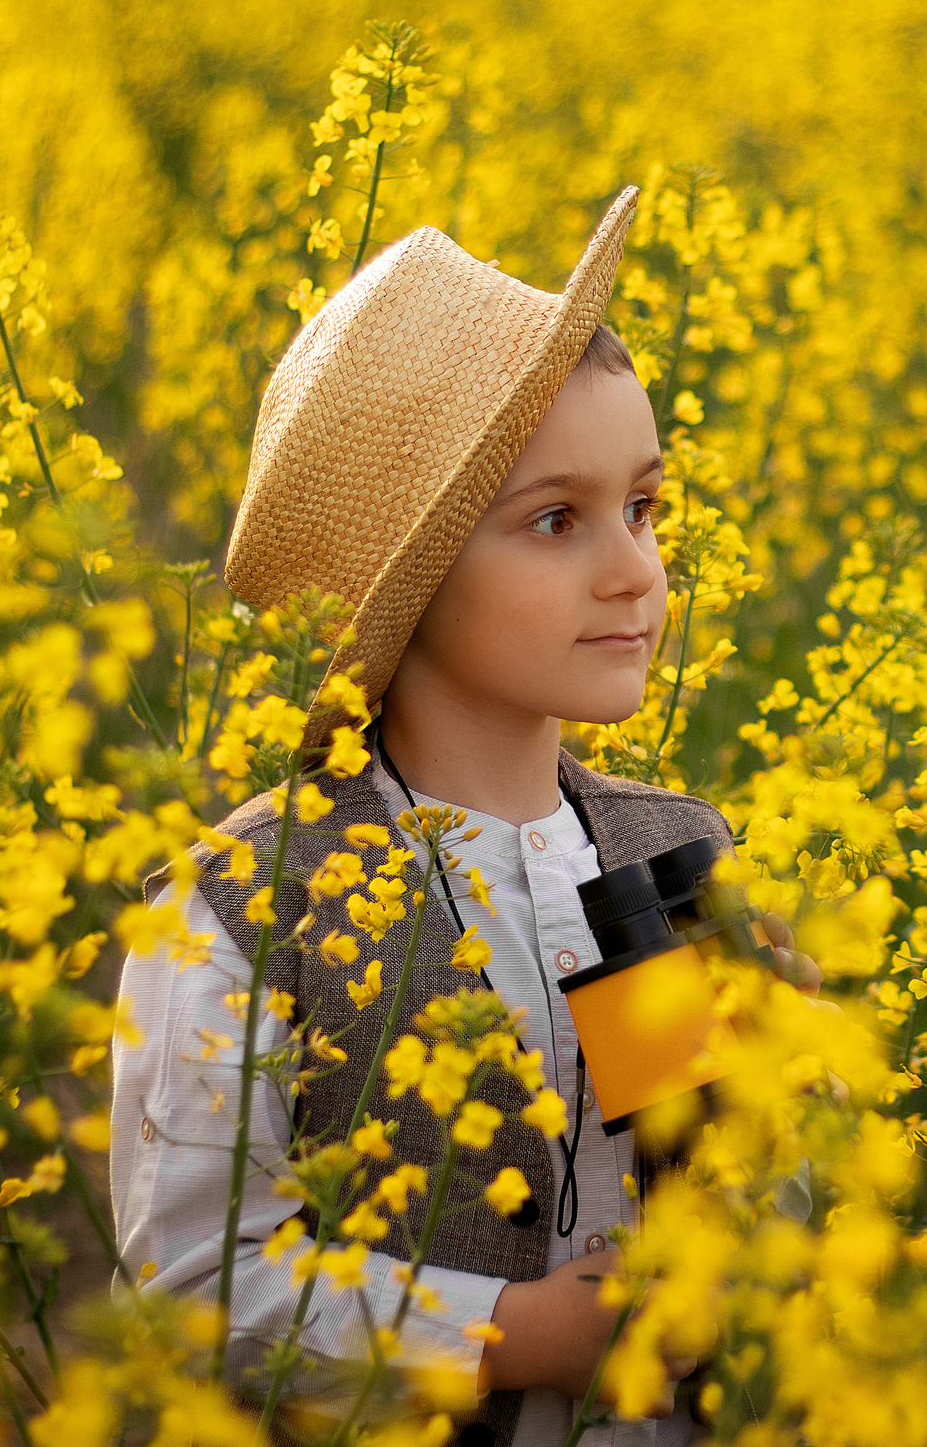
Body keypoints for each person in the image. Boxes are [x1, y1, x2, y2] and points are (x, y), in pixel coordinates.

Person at [108, 188, 818, 1444]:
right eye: (557, 520)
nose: (634, 570)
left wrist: (779, 1104)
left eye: (643, 509)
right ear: (410, 578)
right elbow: (195, 1293)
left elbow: (752, 1238)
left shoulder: (665, 854)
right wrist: (511, 1336)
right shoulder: (244, 910)